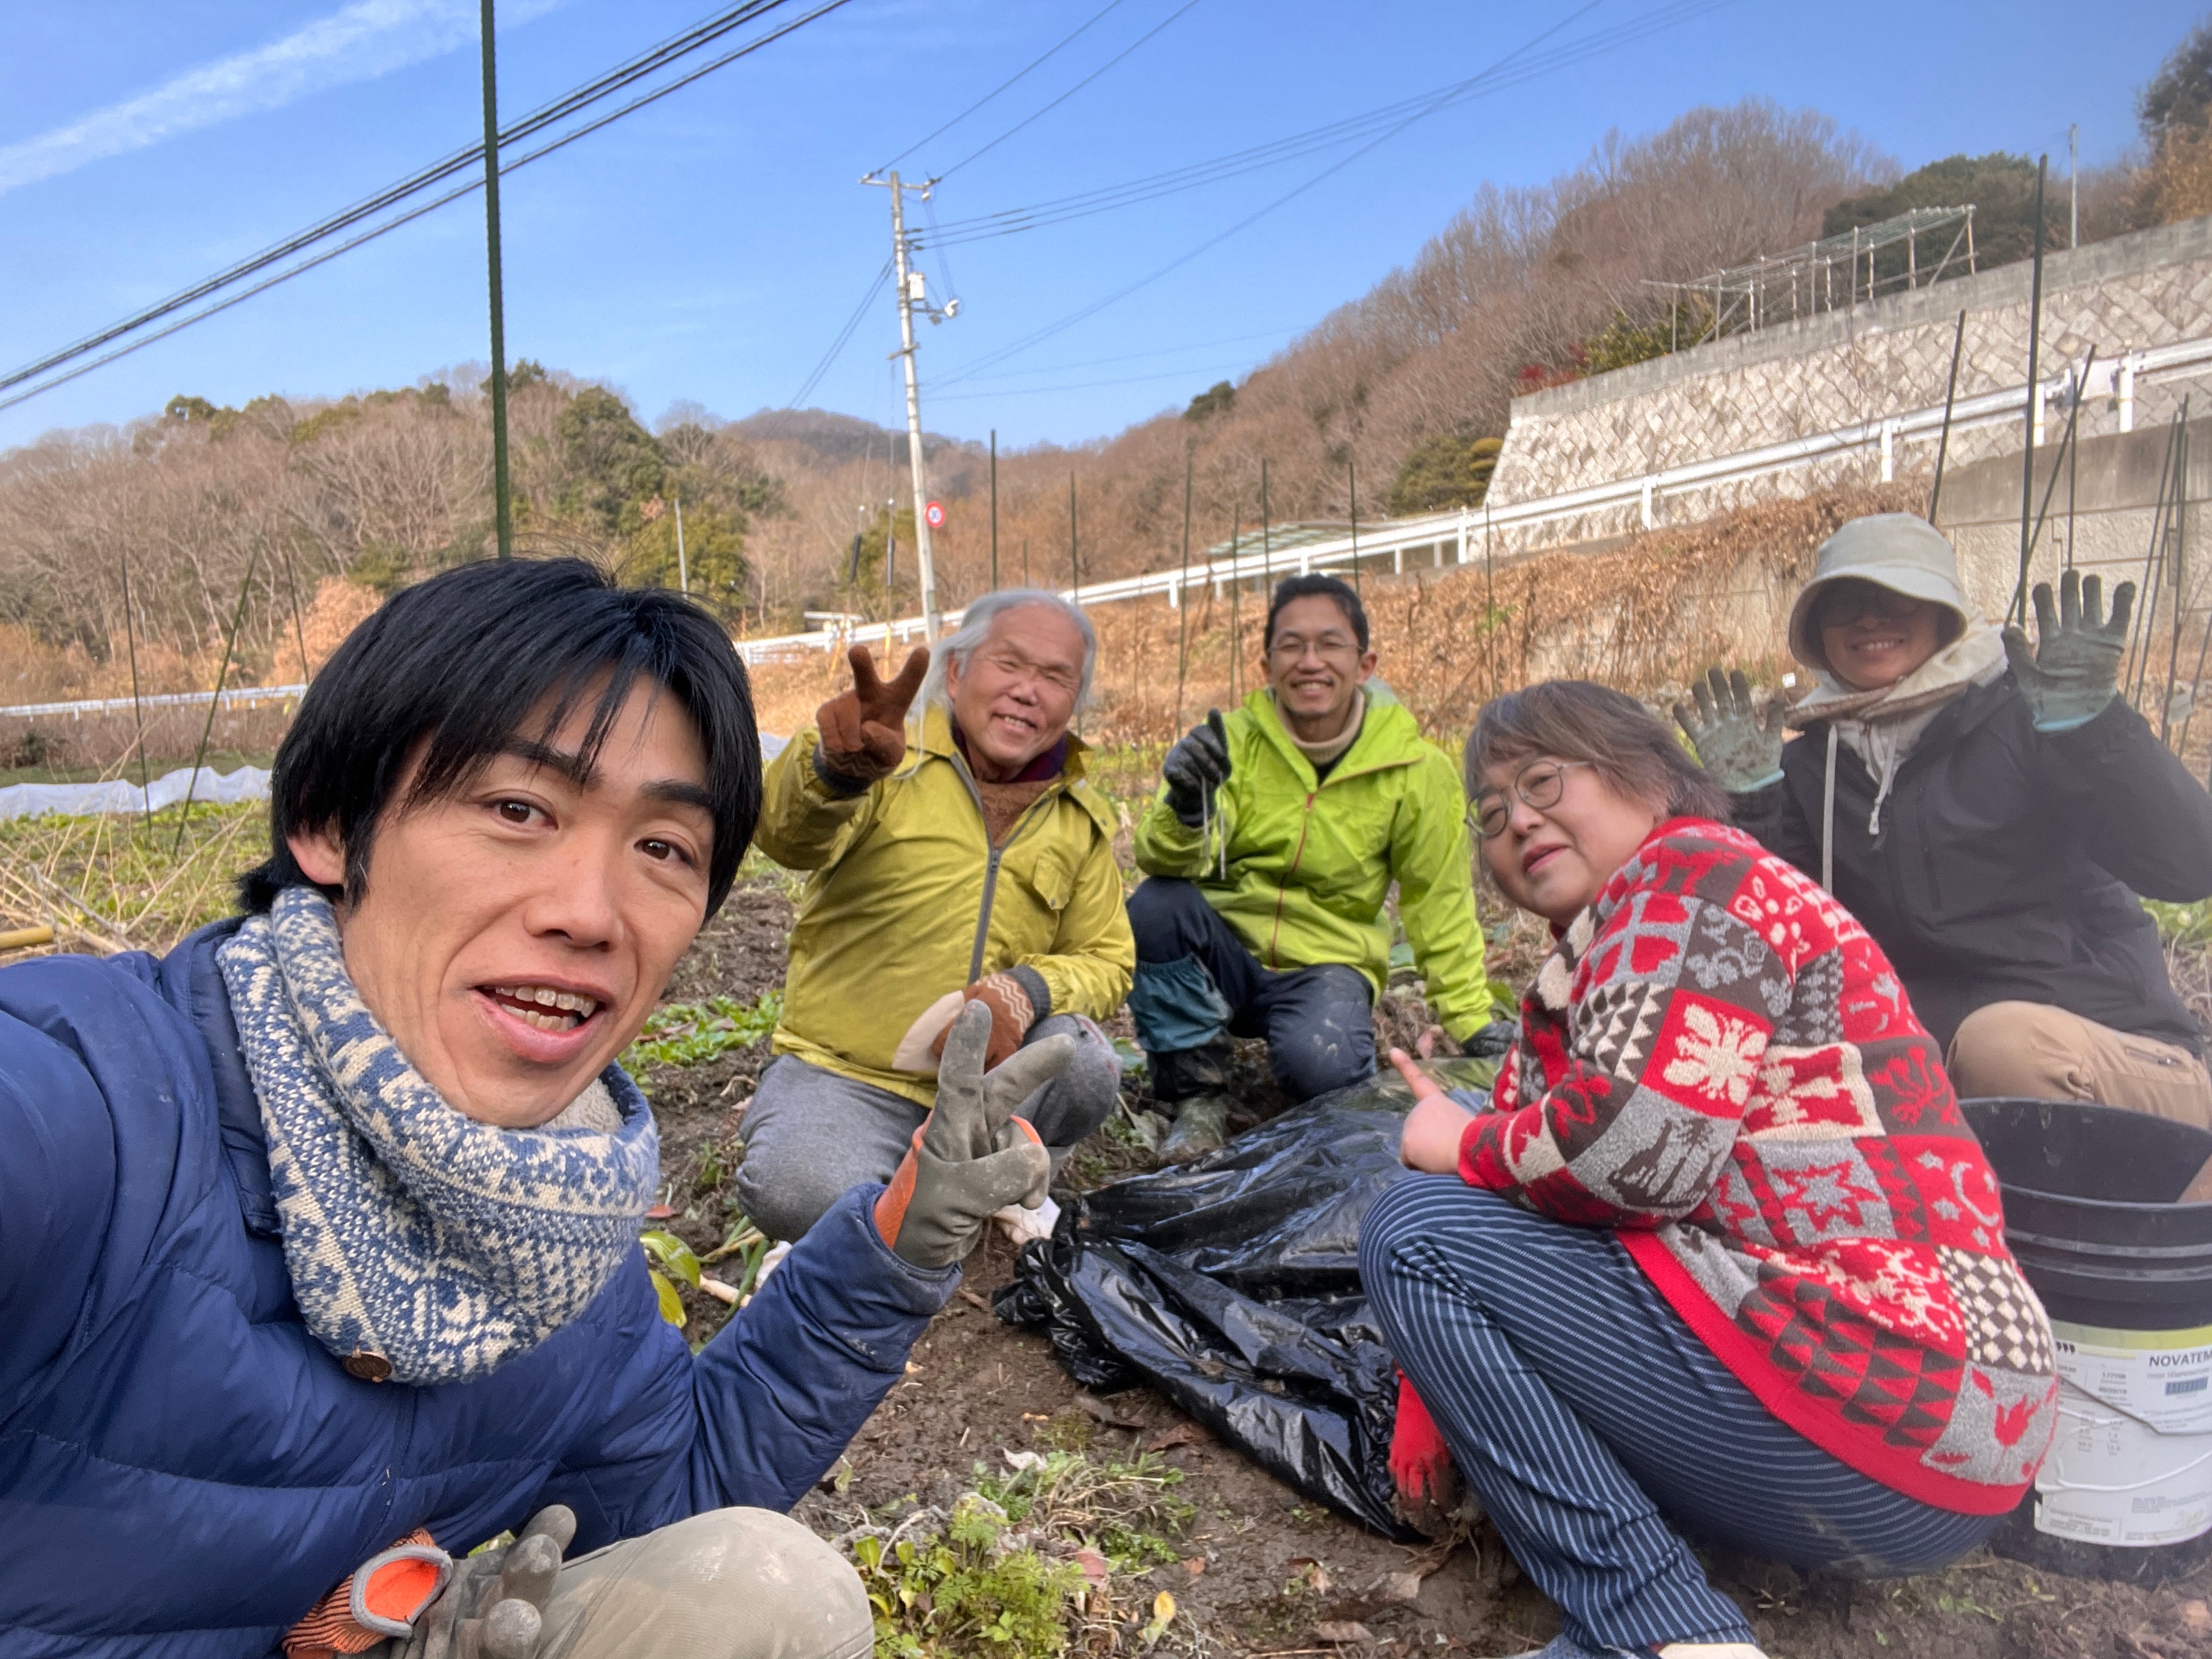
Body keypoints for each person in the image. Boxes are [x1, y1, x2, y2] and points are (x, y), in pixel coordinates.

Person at [0, 559, 1071, 1659]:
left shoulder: (558, 1225)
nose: (590, 912)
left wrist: (893, 1245)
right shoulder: (100, 1109)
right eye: (518, 808)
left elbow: (680, 1483)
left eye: (663, 848)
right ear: (330, 823)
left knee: (770, 1593)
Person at [1361, 680, 2056, 1659]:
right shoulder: (1583, 971)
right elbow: (1534, 1185)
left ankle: (1654, 1629)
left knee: (1412, 1230)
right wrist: (1425, 1388)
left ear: (1648, 773)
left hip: (1894, 1379)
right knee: (1439, 1215)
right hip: (1938, 1442)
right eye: (1491, 813)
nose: (1517, 819)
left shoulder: (1691, 874)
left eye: (1545, 780)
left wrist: (1454, 1139)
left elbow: (1635, 1159)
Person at [1677, 513, 2212, 1128]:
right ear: (1819, 631)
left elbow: (2189, 866)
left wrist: (2098, 732)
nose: (1871, 619)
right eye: (1845, 604)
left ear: (1944, 614)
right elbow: (1792, 932)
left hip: (2109, 1052)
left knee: (2003, 1047)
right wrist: (1753, 805)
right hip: (1937, 1070)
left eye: (1898, 598)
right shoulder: (1811, 767)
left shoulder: (2030, 720)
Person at [739, 589, 1132, 1244]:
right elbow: (786, 839)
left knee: (1086, 1061)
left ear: (1074, 702)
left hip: (986, 1092)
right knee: (795, 1190)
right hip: (850, 1076)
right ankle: (922, 1196)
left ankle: (998, 1183)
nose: (1028, 691)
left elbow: (1109, 958)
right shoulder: (884, 758)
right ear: (956, 673)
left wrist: (1027, 989)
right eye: (1009, 664)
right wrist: (834, 775)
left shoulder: (1077, 821)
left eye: (1056, 677)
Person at [1127, 574, 1495, 1160]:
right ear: (1267, 664)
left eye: (1330, 644)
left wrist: (1471, 1019)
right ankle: (1198, 1099)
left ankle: (1304, 1076)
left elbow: (1439, 899)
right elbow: (1164, 859)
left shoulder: (1416, 770)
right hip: (1226, 956)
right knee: (1155, 906)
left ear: (1365, 662)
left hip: (1327, 967)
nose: (1311, 662)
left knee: (1322, 1072)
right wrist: (1186, 806)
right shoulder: (1231, 744)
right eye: (1292, 646)